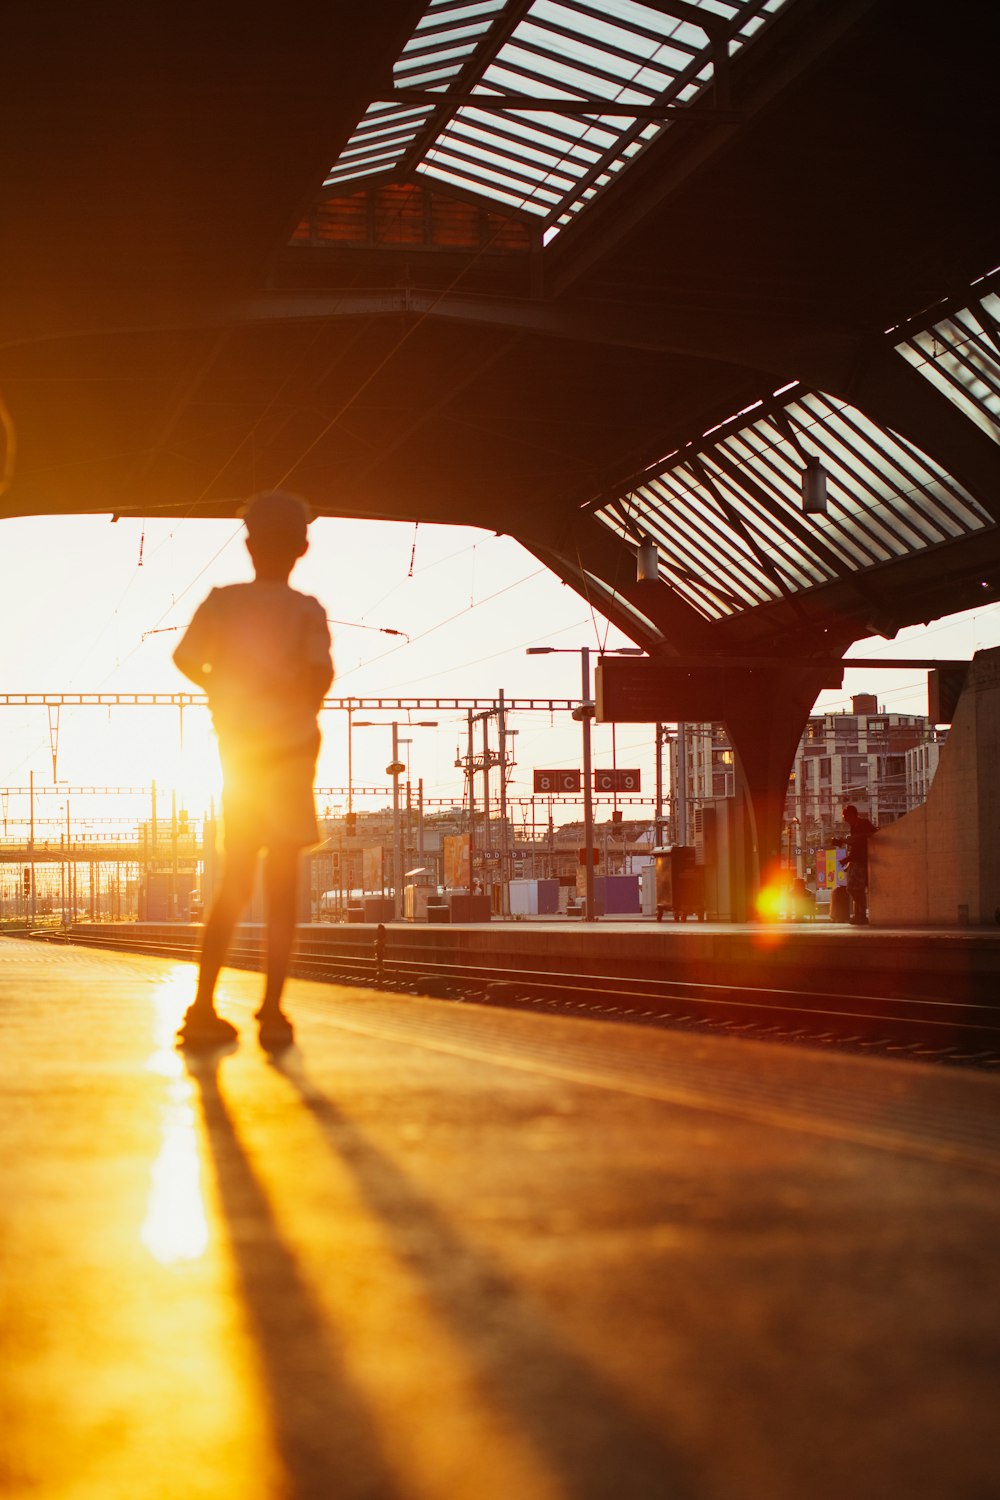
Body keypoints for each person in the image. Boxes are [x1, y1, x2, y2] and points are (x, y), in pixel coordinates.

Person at [172, 490, 333, 1049]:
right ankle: (271, 1012)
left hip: (239, 759)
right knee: (283, 888)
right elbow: (319, 676)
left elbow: (184, 658)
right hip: (288, 761)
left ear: (248, 544)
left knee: (234, 882)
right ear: (303, 547)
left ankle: (201, 1009)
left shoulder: (221, 602)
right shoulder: (306, 610)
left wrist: (226, 689)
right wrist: (290, 704)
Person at [841, 803, 876, 925]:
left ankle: (861, 914)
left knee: (855, 888)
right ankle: (860, 914)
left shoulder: (864, 824)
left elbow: (873, 834)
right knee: (854, 888)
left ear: (851, 815)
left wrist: (857, 838)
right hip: (855, 860)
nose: (845, 819)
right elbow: (856, 846)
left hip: (862, 860)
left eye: (845, 816)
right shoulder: (853, 827)